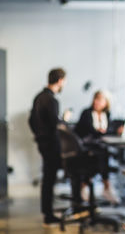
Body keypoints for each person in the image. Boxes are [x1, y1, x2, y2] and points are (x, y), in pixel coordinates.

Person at [28, 68, 66, 225]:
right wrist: (64, 120)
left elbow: (31, 121)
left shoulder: (38, 97)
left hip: (42, 142)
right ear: (60, 81)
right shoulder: (52, 100)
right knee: (49, 178)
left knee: (47, 178)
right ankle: (48, 215)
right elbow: (54, 125)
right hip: (51, 144)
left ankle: (47, 212)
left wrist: (38, 135)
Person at [74, 90, 121, 204]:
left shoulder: (107, 114)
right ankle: (105, 186)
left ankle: (86, 185)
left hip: (98, 148)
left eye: (100, 99)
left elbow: (109, 129)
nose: (96, 101)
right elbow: (89, 130)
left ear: (106, 102)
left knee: (102, 154)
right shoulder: (86, 113)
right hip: (85, 148)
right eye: (95, 98)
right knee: (101, 155)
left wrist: (116, 130)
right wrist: (102, 132)